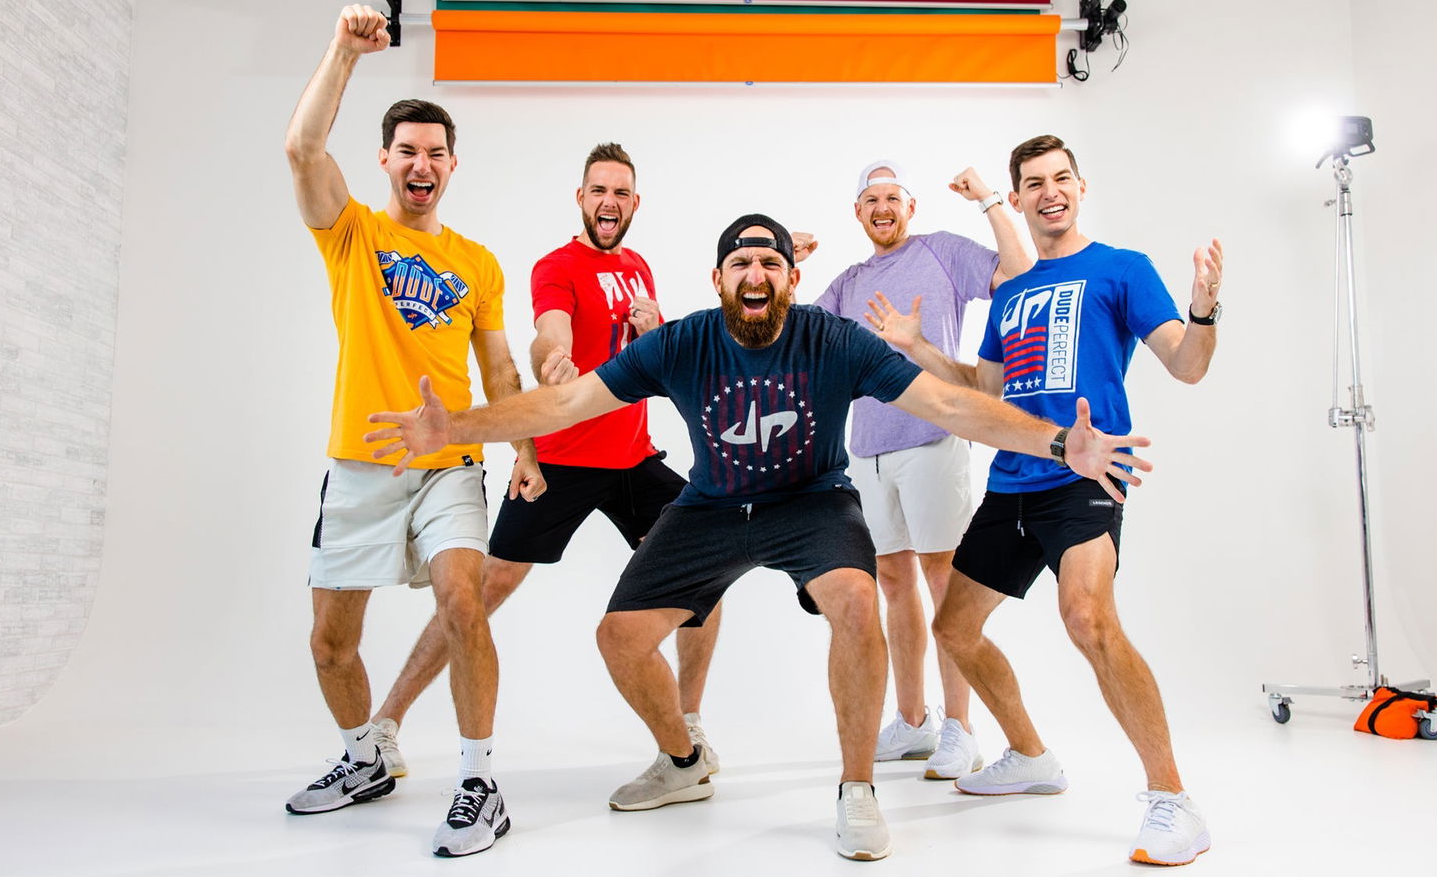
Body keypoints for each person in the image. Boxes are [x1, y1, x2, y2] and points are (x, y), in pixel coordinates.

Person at [364, 213, 1153, 862]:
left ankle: (856, 790)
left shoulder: (832, 340)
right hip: (711, 506)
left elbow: (949, 406)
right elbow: (565, 404)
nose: (756, 273)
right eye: (741, 262)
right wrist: (454, 426)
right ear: (717, 279)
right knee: (618, 638)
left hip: (812, 502)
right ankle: (683, 761)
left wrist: (1058, 443)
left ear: (791, 279)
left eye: (771, 262)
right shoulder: (681, 342)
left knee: (858, 601)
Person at [865, 135, 1222, 867]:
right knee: (953, 628)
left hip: (1085, 477)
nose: (1049, 191)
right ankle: (1030, 756)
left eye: (1061, 178)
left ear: (1080, 188)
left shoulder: (1122, 268)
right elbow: (985, 389)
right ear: (1019, 198)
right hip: (1012, 482)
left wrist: (1204, 310)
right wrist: (917, 346)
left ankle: (1173, 801)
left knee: (1087, 619)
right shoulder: (1012, 292)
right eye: (1034, 182)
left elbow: (1186, 366)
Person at [363, 142, 726, 773]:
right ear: (581, 198)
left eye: (620, 193)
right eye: (598, 191)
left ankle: (687, 723)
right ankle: (385, 724)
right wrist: (551, 361)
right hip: (564, 460)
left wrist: (657, 330)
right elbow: (548, 331)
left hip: (634, 458)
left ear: (634, 203)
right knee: (481, 591)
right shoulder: (557, 266)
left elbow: (660, 361)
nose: (609, 202)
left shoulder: (639, 266)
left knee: (705, 575)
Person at [281, 4, 537, 859]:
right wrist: (344, 54)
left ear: (451, 166)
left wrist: (524, 449)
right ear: (385, 161)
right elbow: (302, 150)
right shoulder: (352, 234)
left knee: (463, 600)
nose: (421, 164)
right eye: (407, 151)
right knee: (330, 644)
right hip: (360, 466)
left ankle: (479, 783)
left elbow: (499, 368)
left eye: (435, 153)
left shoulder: (478, 262)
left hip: (448, 462)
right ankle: (365, 758)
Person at [803, 159, 1030, 779]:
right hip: (868, 451)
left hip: (932, 439)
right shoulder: (849, 282)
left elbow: (1018, 272)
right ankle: (912, 721)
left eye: (893, 198)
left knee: (943, 579)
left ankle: (960, 728)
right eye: (871, 199)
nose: (882, 208)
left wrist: (988, 199)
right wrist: (786, 264)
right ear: (857, 212)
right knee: (893, 582)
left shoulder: (941, 252)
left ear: (910, 207)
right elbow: (794, 338)